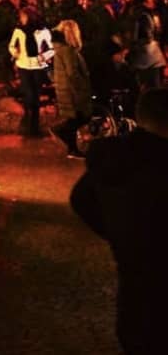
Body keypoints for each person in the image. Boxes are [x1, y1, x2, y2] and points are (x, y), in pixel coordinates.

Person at [70, 88, 168, 354]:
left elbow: (81, 199)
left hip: (134, 297)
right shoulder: (158, 163)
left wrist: (118, 231)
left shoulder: (114, 157)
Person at [48, 22, 92, 158]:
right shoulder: (68, 50)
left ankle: (72, 148)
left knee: (75, 119)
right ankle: (69, 143)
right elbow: (72, 73)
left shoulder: (61, 49)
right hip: (73, 91)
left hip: (66, 89)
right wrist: (81, 88)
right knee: (79, 118)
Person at [8, 8, 53, 137]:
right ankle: (28, 123)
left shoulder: (42, 31)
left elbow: (51, 48)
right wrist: (15, 53)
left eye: (23, 17)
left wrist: (44, 56)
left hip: (38, 65)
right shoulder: (19, 31)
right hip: (23, 65)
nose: (21, 19)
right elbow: (11, 45)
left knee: (36, 95)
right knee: (29, 94)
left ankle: (34, 125)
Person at [126, 11, 165, 92]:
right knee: (154, 87)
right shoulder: (147, 16)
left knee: (146, 87)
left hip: (145, 58)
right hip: (152, 57)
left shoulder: (141, 17)